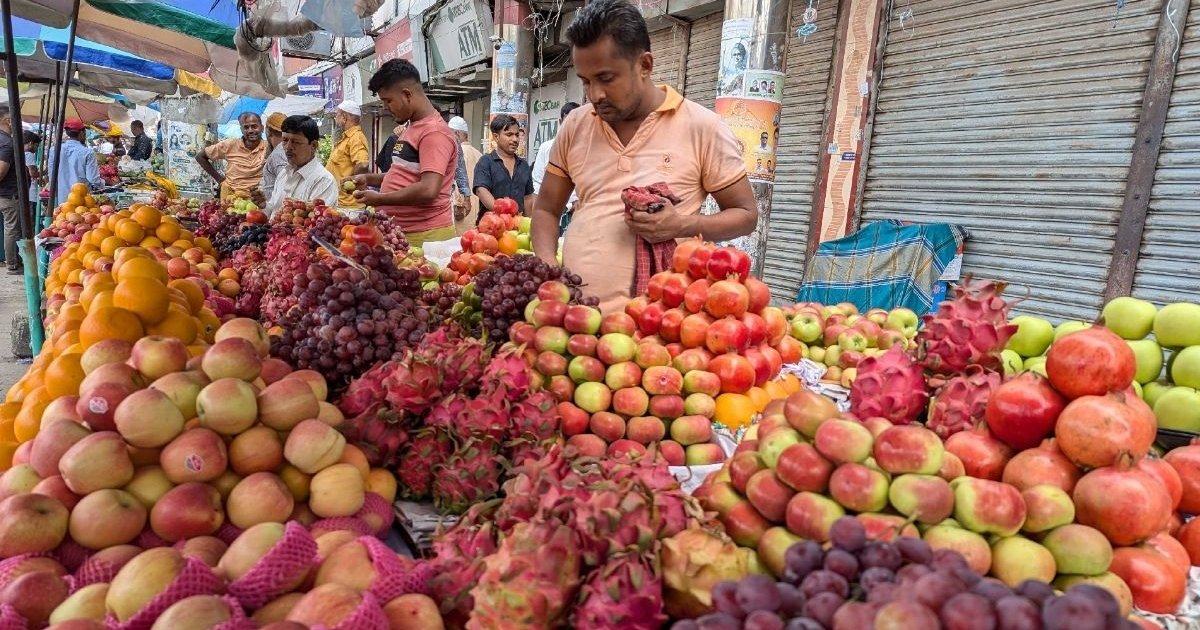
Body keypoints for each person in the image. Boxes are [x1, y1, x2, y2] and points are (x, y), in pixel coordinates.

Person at [531, 0, 757, 314]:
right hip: (576, 321)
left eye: (606, 78)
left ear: (645, 65)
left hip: (661, 329)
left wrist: (680, 224)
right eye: (585, 82)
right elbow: (545, 210)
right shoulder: (576, 125)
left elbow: (745, 214)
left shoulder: (703, 127)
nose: (594, 95)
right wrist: (547, 269)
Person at [346, 59, 457, 247]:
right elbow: (406, 174)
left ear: (406, 94)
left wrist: (379, 198)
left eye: (388, 100)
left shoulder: (434, 133)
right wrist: (370, 179)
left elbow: (429, 189)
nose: (385, 107)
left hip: (425, 236)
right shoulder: (413, 127)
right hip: (403, 232)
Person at [252, 116, 339, 217]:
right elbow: (273, 213)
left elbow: (316, 226)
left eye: (296, 142)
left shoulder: (323, 181)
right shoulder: (283, 174)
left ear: (313, 145)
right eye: (285, 140)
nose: (288, 147)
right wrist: (263, 206)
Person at [531, 102, 581, 233]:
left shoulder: (589, 151)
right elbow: (537, 182)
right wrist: (536, 215)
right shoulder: (546, 148)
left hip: (578, 214)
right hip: (551, 213)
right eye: (568, 122)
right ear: (560, 121)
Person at [473, 114, 535, 217]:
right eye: (509, 134)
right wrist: (502, 214)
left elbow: (528, 198)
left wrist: (528, 224)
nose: (515, 139)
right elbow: (481, 190)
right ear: (496, 137)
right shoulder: (486, 162)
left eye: (517, 135)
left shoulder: (523, 165)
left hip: (516, 228)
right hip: (491, 226)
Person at [196, 112, 267, 199]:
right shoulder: (230, 144)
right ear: (241, 130)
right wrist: (220, 180)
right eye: (246, 127)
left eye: (254, 126)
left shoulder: (269, 148)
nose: (250, 130)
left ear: (262, 128)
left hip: (257, 199)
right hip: (230, 197)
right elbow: (200, 157)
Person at [48, 119, 103, 209]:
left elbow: (51, 175)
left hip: (60, 196)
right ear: (82, 132)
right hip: (81, 199)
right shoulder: (87, 152)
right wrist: (104, 183)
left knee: (61, 220)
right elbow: (93, 180)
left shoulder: (54, 150)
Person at [326, 101, 370, 207]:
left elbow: (363, 164)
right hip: (340, 202)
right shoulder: (346, 138)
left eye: (337, 115)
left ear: (344, 117)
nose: (336, 119)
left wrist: (352, 182)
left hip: (349, 205)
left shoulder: (356, 137)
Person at [448, 116, 482, 233]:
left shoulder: (456, 151)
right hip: (477, 209)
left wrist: (458, 204)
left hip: (462, 210)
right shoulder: (479, 153)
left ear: (457, 133)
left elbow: (460, 179)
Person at [0, 106, 22, 273]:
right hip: (8, 194)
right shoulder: (7, 143)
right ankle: (12, 264)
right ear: (7, 120)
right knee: (12, 229)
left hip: (5, 193)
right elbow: (1, 171)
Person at [259, 112, 288, 201]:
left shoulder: (279, 153)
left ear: (269, 132)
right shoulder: (283, 150)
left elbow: (286, 186)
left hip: (278, 209)